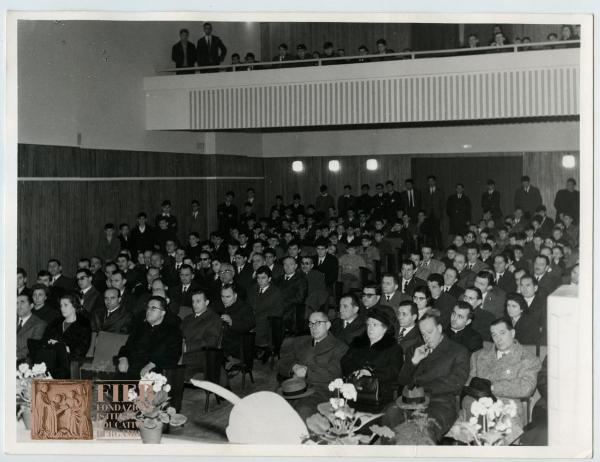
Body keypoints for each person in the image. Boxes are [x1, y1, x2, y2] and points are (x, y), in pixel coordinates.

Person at [383, 311, 470, 443]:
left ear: (439, 329)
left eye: (430, 332)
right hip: (410, 402)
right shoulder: (416, 350)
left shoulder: (458, 351)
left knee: (423, 426)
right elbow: (402, 380)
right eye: (423, 334)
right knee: (389, 414)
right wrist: (414, 362)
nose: (426, 338)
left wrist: (421, 388)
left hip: (440, 403)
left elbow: (456, 382)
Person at [466, 318, 542, 424]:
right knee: (461, 430)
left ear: (512, 333)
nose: (498, 339)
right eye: (494, 335)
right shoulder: (478, 356)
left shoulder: (528, 359)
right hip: (476, 408)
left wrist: (491, 387)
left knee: (502, 432)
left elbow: (526, 388)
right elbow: (469, 386)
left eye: (502, 333)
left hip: (507, 410)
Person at [277, 311, 349, 419]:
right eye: (311, 323)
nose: (313, 327)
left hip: (321, 391)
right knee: (273, 406)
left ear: (328, 325)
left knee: (301, 412)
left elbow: (334, 372)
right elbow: (282, 363)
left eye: (318, 323)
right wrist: (294, 367)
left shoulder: (340, 347)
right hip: (294, 388)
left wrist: (307, 373)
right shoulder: (301, 342)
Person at [341, 306, 404, 406]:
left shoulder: (394, 348)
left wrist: (370, 372)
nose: (370, 328)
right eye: (368, 324)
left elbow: (394, 371)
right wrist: (357, 370)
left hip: (379, 395)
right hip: (353, 390)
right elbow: (345, 361)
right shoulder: (358, 343)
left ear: (385, 328)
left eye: (375, 325)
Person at [117, 296, 182, 379]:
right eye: (148, 308)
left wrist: (152, 364)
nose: (148, 311)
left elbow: (173, 356)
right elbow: (127, 347)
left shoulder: (173, 332)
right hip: (130, 369)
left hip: (154, 372)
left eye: (153, 308)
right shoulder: (139, 328)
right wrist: (123, 358)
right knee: (107, 389)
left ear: (163, 313)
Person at [41, 294, 92, 378]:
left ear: (75, 306)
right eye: (61, 305)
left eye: (65, 305)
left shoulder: (83, 325)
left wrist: (61, 346)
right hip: (50, 358)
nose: (62, 308)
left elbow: (80, 351)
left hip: (68, 362)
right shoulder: (55, 322)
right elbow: (44, 340)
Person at [180, 290, 222, 380]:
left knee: (169, 364)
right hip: (184, 353)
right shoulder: (188, 319)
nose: (194, 304)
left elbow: (211, 341)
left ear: (206, 302)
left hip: (201, 355)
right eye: (193, 301)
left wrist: (187, 347)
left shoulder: (214, 319)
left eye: (198, 301)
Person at [246, 265, 283, 355]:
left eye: (263, 278)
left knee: (258, 325)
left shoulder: (276, 292)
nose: (260, 281)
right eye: (258, 278)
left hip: (266, 321)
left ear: (269, 279)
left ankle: (259, 349)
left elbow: (278, 311)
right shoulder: (252, 288)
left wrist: (260, 316)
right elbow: (247, 305)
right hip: (251, 318)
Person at [275, 256, 308, 334]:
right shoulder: (278, 279)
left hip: (292, 309)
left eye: (290, 264)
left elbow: (300, 298)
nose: (287, 267)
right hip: (277, 306)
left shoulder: (301, 280)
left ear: (295, 266)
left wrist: (282, 302)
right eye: (285, 264)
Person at [17, 293, 47, 363]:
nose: (18, 306)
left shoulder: (39, 324)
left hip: (23, 362)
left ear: (31, 306)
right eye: (16, 303)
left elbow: (32, 349)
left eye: (22, 302)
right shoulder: (9, 320)